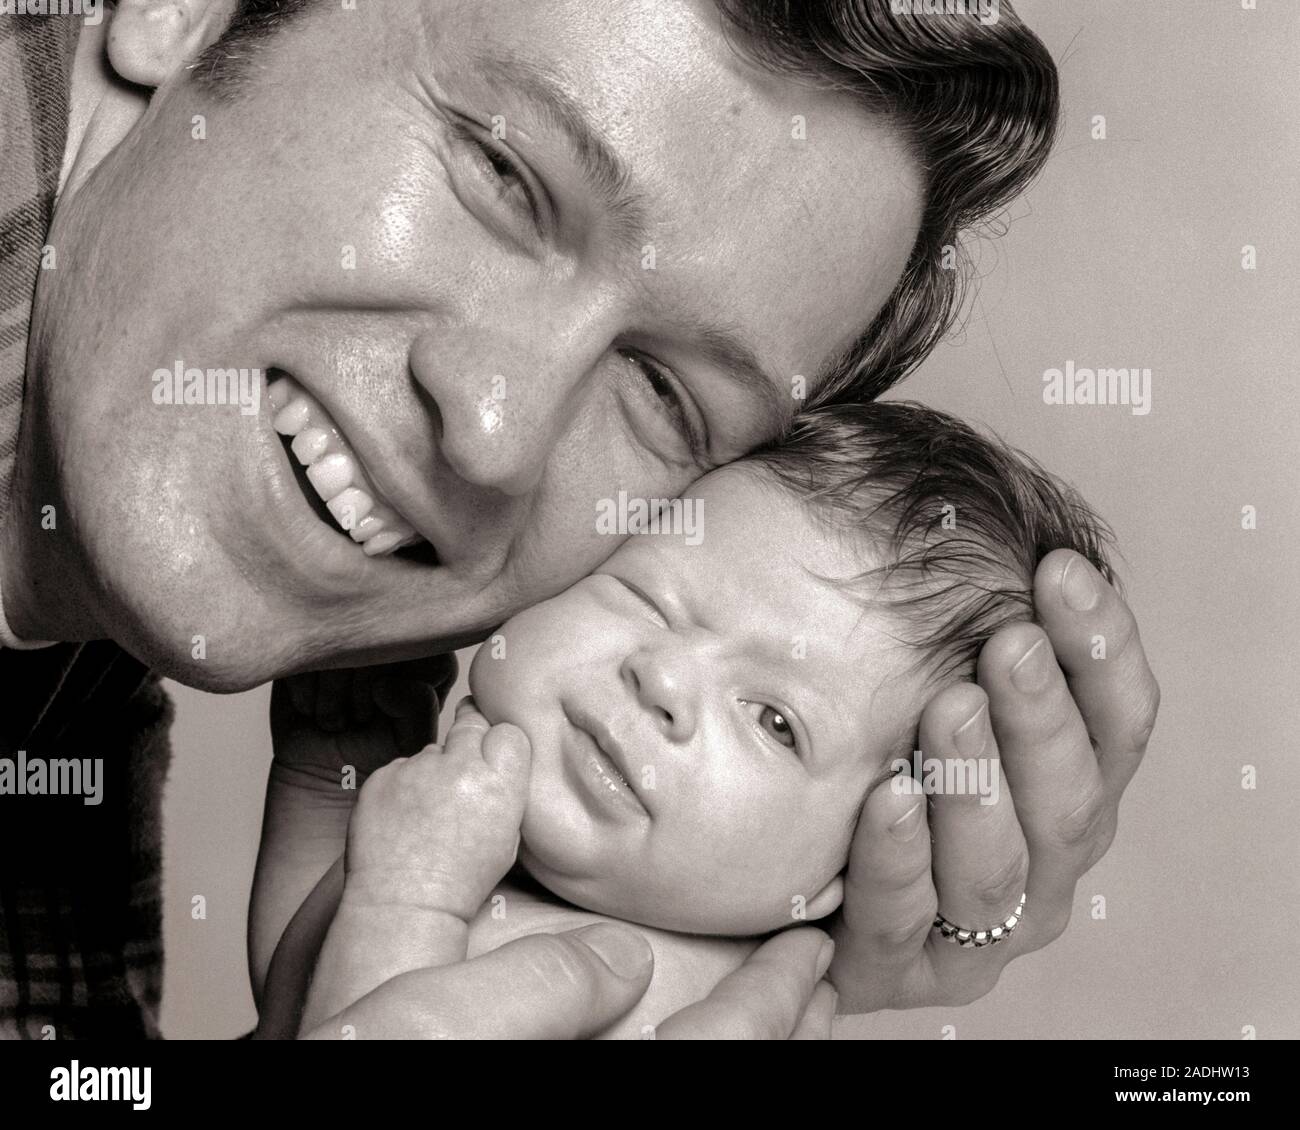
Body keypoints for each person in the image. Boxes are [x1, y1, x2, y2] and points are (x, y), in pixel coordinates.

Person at [0, 0, 1159, 1039]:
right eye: (506, 179)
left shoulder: (69, 715)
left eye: (661, 393)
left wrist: (803, 932)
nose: (494, 431)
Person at [252, 400, 1115, 1039]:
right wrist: (331, 766)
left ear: (838, 876)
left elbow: (355, 1020)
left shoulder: (669, 1000)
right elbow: (291, 991)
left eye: (776, 722)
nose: (661, 675)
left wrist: (413, 893)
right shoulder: (473, 837)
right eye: (646, 598)